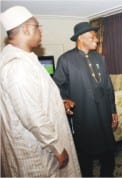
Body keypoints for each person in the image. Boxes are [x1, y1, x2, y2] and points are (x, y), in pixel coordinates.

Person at [0, 6, 81, 177]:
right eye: (38, 27)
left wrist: (59, 104)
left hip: (43, 144)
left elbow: (33, 100)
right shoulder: (17, 67)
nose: (41, 32)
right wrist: (57, 147)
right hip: (38, 151)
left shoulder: (26, 59)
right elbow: (31, 114)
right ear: (26, 28)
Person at [53, 22, 119, 177]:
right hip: (83, 116)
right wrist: (65, 100)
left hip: (103, 114)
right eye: (93, 37)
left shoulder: (99, 58)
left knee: (108, 153)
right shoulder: (66, 60)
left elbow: (108, 87)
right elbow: (57, 88)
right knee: (85, 157)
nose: (97, 40)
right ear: (80, 38)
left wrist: (113, 110)